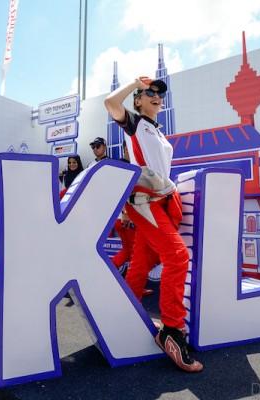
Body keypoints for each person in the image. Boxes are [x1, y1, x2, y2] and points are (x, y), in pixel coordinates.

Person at [104, 76, 203, 372]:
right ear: (137, 100)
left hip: (162, 201)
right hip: (145, 201)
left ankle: (126, 314)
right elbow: (110, 103)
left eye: (159, 93)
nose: (156, 96)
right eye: (149, 92)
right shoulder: (134, 122)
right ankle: (171, 330)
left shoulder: (158, 132)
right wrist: (134, 82)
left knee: (141, 262)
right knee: (177, 256)